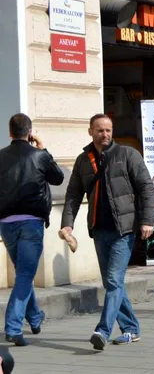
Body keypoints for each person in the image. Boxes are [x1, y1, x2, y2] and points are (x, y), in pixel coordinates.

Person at [61, 114, 154, 350]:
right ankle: (131, 329)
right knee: (112, 282)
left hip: (124, 229)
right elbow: (73, 194)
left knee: (113, 280)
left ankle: (102, 330)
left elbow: (146, 187)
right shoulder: (84, 160)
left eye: (109, 130)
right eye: (100, 130)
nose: (105, 134)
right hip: (99, 229)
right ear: (90, 131)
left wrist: (147, 221)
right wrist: (68, 223)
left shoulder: (127, 155)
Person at [0, 114, 64, 346]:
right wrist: (44, 149)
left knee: (22, 274)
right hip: (31, 223)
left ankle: (35, 318)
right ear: (30, 132)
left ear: (10, 132)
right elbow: (57, 178)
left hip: (6, 224)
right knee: (25, 275)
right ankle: (13, 328)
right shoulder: (40, 156)